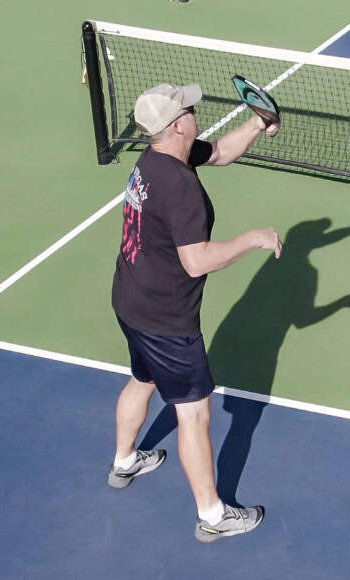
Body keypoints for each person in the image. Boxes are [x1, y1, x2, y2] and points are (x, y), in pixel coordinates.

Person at [108, 82, 282, 543]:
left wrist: (257, 123)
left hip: (130, 298)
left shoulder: (156, 160)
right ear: (177, 126)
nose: (192, 112)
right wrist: (252, 239)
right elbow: (196, 261)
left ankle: (125, 461)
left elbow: (220, 152)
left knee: (143, 378)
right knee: (194, 412)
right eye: (187, 109)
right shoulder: (180, 186)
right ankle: (212, 514)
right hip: (166, 319)